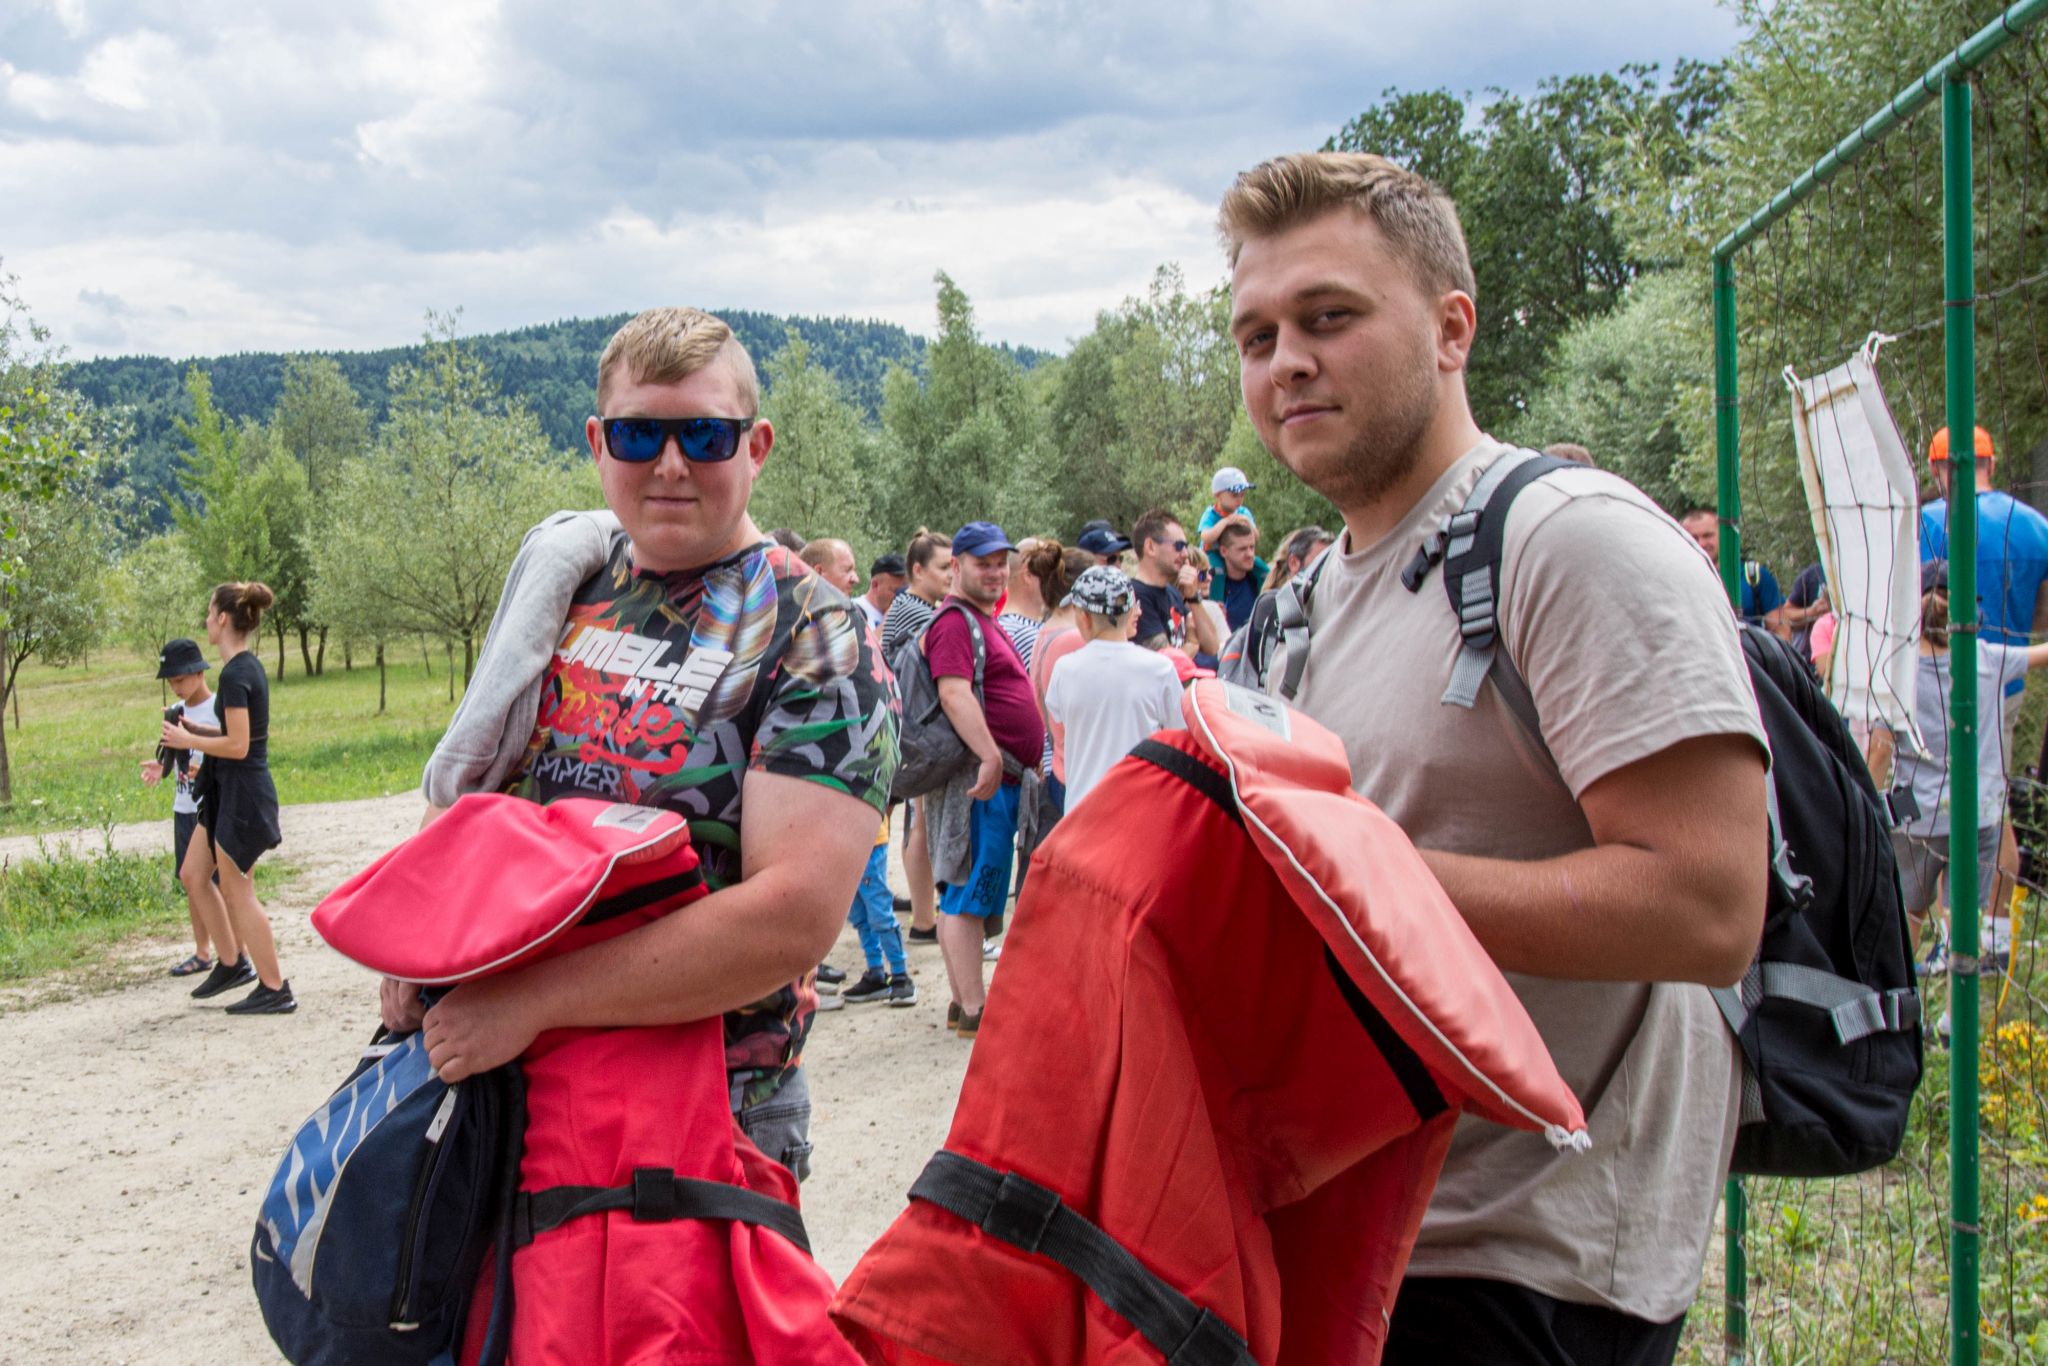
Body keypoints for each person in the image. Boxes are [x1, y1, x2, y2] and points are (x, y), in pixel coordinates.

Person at [1222, 150, 1767, 1364]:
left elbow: (1707, 906)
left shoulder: (1571, 545)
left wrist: (1344, 878)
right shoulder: (1309, 596)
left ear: (1450, 329)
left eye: (1327, 317)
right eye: (1256, 336)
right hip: (1364, 1230)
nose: (1285, 362)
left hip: (1527, 1264)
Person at [393, 307, 896, 1181]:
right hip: (512, 1093)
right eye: (637, 434)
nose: (669, 464)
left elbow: (790, 920)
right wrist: (420, 938)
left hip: (704, 1117)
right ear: (598, 444)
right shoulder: (563, 590)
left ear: (756, 447)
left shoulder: (818, 634)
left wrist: (532, 1002)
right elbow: (484, 782)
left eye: (704, 435)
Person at [1920, 424, 2048, 917]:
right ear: (1990, 463)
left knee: (1942, 808)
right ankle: (1987, 926)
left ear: (1937, 468)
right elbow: (2042, 614)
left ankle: (1963, 927)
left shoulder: (1926, 524)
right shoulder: (2033, 525)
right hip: (2004, 682)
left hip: (1931, 685)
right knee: (1992, 805)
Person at [923, 521, 1044, 1039]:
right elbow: (953, 692)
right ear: (957, 566)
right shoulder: (955, 622)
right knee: (967, 892)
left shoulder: (978, 619)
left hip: (996, 780)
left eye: (1001, 564)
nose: (995, 573)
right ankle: (975, 1009)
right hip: (981, 783)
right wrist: (991, 756)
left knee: (968, 891)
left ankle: (963, 1003)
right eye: (983, 563)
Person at [1893, 559, 2043, 970]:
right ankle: (1958, 993)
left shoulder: (1899, 669)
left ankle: (1902, 991)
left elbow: (1879, 745)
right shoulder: (1986, 659)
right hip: (1977, 814)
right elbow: (2042, 653)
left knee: (1908, 914)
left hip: (1917, 817)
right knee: (1962, 919)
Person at [165, 582, 296, 1015]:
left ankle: (274, 988)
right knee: (193, 873)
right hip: (227, 791)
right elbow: (237, 735)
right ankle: (230, 963)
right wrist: (194, 731)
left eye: (209, 613)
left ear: (223, 619)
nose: (206, 620)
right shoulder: (241, 669)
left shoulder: (237, 674)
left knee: (239, 892)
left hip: (244, 796)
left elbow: (239, 746)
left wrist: (189, 739)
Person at [1044, 567, 1187, 809]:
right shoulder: (1160, 669)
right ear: (1130, 611)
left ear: (1084, 618)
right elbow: (1179, 734)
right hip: (1139, 808)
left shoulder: (1065, 669)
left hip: (1083, 808)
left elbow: (1059, 721)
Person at [139, 637, 234, 978]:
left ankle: (232, 952)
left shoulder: (218, 708)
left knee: (221, 883)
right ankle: (202, 951)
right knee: (192, 882)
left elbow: (230, 750)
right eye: (171, 682)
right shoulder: (175, 712)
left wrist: (204, 769)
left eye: (180, 679)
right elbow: (174, 755)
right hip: (184, 805)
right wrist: (161, 767)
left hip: (211, 806)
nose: (176, 687)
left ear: (199, 672)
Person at [883, 528, 953, 943]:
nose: (951, 575)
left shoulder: (914, 607)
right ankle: (926, 919)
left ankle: (926, 917)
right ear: (918, 570)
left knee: (919, 822)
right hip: (916, 736)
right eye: (944, 567)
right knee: (920, 823)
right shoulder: (916, 612)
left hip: (911, 734)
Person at [1128, 508, 1221, 660]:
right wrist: (1192, 643)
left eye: (1185, 546)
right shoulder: (1136, 595)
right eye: (1178, 546)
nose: (1185, 553)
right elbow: (1166, 662)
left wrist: (1193, 598)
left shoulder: (1172, 592)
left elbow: (1212, 647)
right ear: (1150, 547)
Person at [1679, 507, 1787, 634]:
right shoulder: (1678, 581)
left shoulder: (1752, 575)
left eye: (1707, 536)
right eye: (1693, 538)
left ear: (1722, 536)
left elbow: (1781, 631)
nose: (1701, 543)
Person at [1208, 520, 1270, 633]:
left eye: (1252, 547)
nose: (1250, 554)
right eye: (1242, 549)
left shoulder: (1259, 581)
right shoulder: (1210, 585)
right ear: (1223, 551)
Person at [1197, 467, 1258, 575]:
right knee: (1217, 571)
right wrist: (1225, 522)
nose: (1239, 499)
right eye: (1234, 495)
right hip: (1213, 554)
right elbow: (1205, 537)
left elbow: (1256, 537)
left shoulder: (1243, 512)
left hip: (1238, 554)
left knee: (1260, 569)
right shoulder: (1211, 514)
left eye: (1242, 495)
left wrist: (1247, 522)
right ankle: (1217, 587)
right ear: (1218, 495)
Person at [1261, 524, 1335, 593]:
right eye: (1321, 562)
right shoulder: (1276, 601)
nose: (1328, 569)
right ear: (1293, 563)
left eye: (1331, 561)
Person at [858, 553, 907, 634]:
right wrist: (889, 620)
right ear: (875, 585)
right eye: (895, 591)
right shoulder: (855, 611)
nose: (900, 596)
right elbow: (863, 642)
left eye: (904, 591)